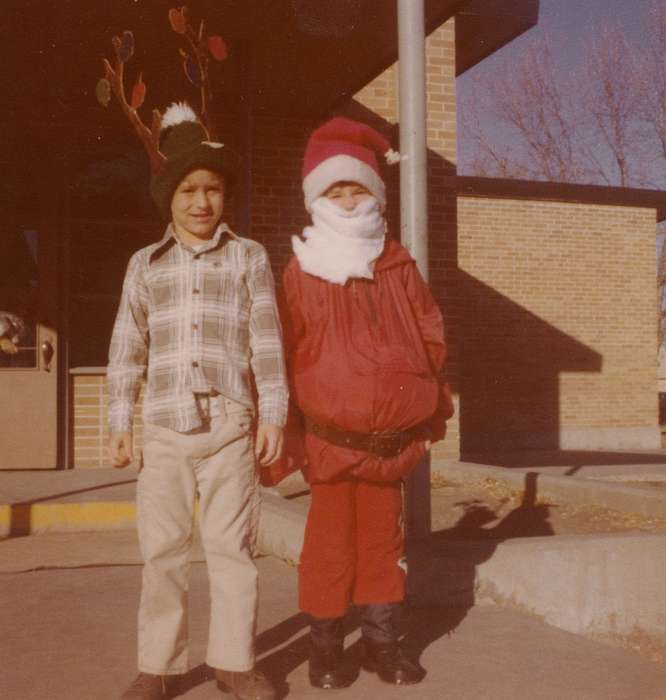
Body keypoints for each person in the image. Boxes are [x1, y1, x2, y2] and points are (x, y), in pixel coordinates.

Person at [107, 102, 288, 700]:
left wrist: (274, 415)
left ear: (225, 196)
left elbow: (266, 341)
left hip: (230, 427)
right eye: (188, 190)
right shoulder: (144, 265)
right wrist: (119, 422)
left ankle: (235, 662)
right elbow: (128, 346)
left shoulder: (249, 257)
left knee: (230, 549)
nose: (201, 202)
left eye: (212, 189)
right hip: (163, 428)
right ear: (170, 198)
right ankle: (158, 667)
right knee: (162, 552)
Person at [276, 116, 454, 690]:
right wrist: (287, 433)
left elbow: (431, 340)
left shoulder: (398, 264)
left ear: (376, 194)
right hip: (330, 442)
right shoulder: (302, 271)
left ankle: (383, 644)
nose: (348, 199)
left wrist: (431, 416)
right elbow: (281, 350)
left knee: (384, 544)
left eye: (358, 188)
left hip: (391, 444)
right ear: (315, 198)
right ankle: (326, 651)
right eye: (336, 189)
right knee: (329, 548)